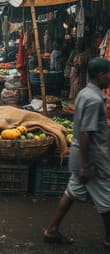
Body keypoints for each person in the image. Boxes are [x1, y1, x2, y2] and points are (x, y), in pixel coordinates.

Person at [43, 57, 110, 247]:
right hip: (92, 159)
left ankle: (52, 230)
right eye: (108, 74)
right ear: (100, 75)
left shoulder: (84, 93)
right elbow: (86, 133)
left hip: (81, 155)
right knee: (107, 199)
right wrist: (87, 165)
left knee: (72, 192)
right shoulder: (94, 99)